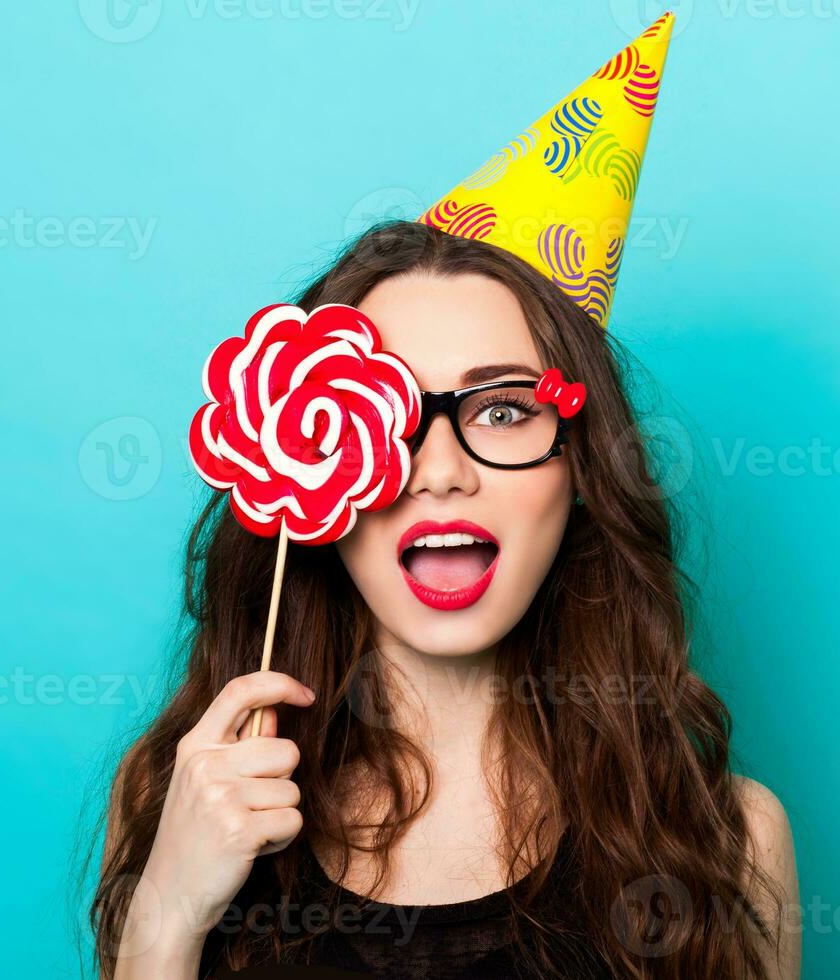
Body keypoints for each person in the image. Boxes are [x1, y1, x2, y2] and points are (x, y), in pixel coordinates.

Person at [90, 218, 800, 979]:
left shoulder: (728, 838)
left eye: (502, 410)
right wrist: (165, 922)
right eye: (383, 413)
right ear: (304, 462)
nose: (440, 472)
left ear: (583, 467)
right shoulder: (175, 794)